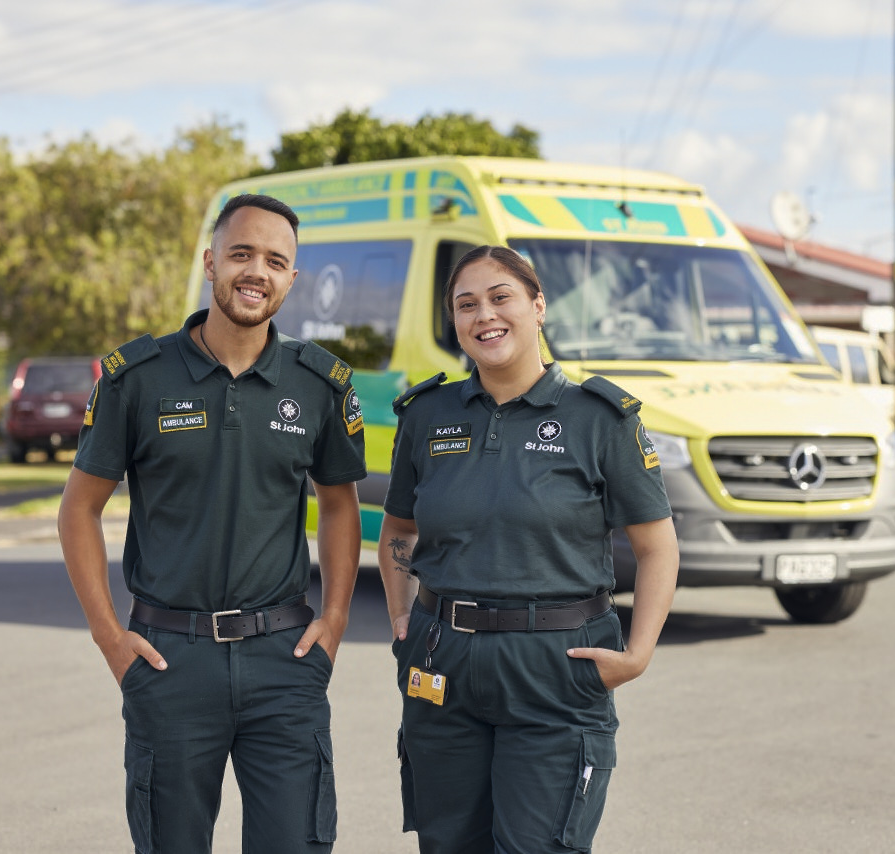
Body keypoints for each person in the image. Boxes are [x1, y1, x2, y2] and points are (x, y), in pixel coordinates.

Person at [58, 193, 365, 854]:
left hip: (284, 659)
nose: (257, 271)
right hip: (170, 658)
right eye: (242, 254)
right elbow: (78, 508)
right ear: (211, 262)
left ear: (292, 279)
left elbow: (339, 502)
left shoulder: (319, 386)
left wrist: (335, 617)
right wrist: (110, 637)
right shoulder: (136, 378)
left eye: (275, 261)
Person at [377, 245, 679, 853]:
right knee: (448, 844)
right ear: (455, 323)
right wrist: (402, 618)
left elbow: (657, 547)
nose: (484, 315)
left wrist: (639, 652)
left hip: (555, 664)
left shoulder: (600, 418)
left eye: (500, 297)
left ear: (537, 306)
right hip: (443, 660)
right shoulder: (428, 414)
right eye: (466, 305)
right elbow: (399, 531)